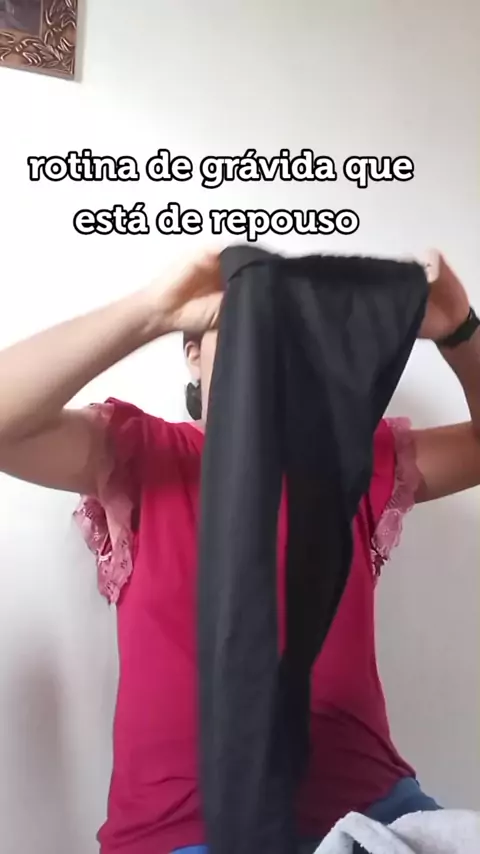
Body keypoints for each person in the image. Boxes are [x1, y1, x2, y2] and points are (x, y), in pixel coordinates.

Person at [0, 249, 479, 854]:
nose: (265, 350)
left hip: (372, 810)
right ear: (193, 354)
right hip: (181, 832)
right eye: (244, 327)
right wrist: (151, 312)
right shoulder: (143, 454)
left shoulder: (356, 462)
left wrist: (461, 330)